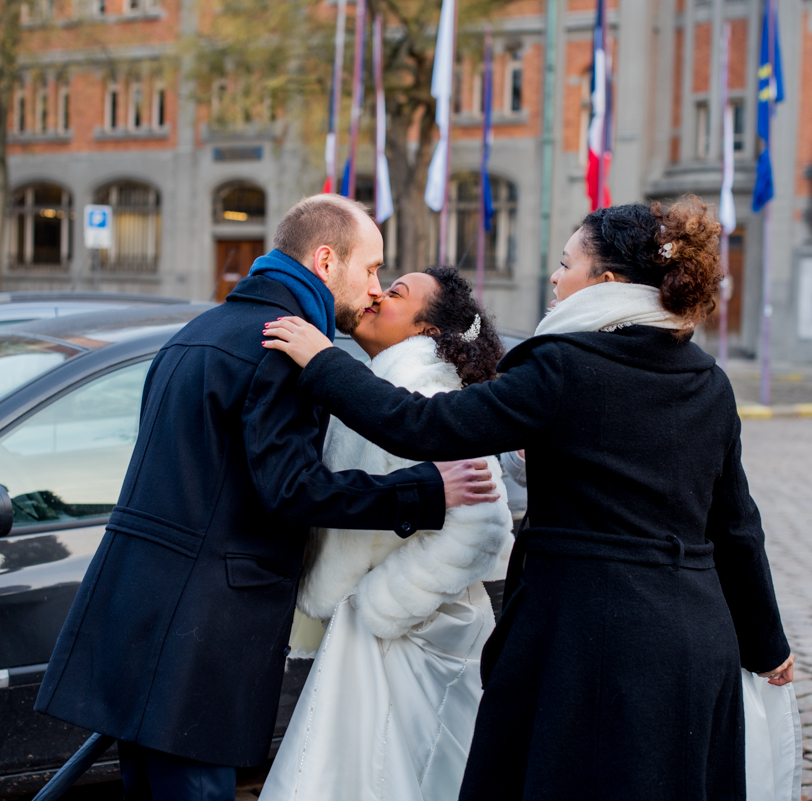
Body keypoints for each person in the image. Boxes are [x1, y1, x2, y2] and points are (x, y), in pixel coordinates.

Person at [263, 197, 798, 801]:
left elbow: (423, 426)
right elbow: (736, 527)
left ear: (607, 281)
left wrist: (324, 361)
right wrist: (766, 643)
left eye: (567, 261)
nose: (554, 274)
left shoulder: (565, 366)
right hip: (697, 644)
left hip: (586, 643)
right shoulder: (708, 378)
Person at [34, 195, 499, 801]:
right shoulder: (283, 347)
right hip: (200, 630)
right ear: (326, 260)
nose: (375, 288)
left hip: (141, 609)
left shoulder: (201, 329)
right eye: (372, 269)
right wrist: (423, 491)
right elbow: (291, 489)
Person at [260, 267, 514, 801]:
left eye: (394, 292)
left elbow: (483, 524)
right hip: (382, 633)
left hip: (413, 633)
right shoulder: (383, 383)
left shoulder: (424, 387)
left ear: (426, 331)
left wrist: (379, 605)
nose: (376, 294)